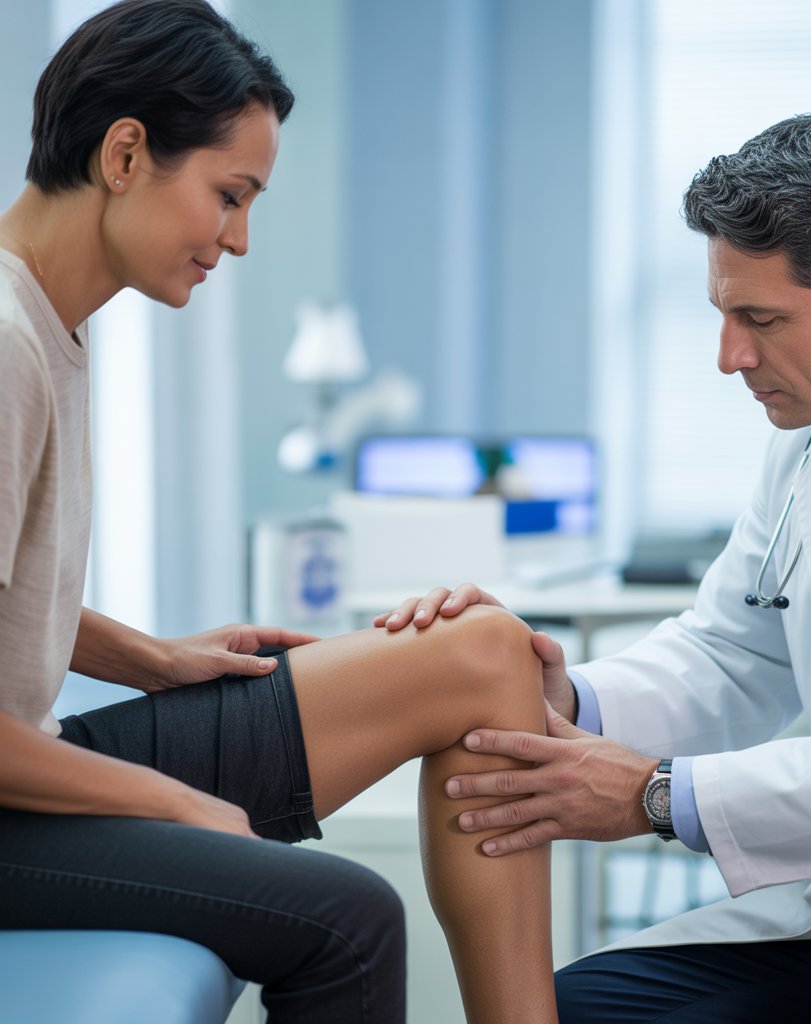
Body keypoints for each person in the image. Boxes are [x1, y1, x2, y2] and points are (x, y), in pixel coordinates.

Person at [382, 114, 811, 1023]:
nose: (730, 359)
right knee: (574, 1009)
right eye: (723, 316)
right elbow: (733, 649)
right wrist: (567, 703)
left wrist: (655, 797)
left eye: (761, 319)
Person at [0, 3, 558, 1022]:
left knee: (482, 650)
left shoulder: (45, 323)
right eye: (229, 195)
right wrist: (179, 803)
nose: (241, 239)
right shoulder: (4, 344)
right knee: (349, 918)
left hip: (28, 755)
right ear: (125, 154)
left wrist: (154, 658)